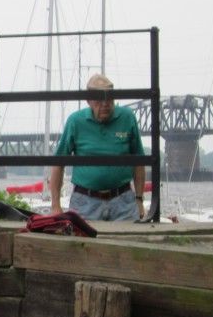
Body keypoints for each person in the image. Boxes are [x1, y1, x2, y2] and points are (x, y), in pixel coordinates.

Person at [49, 73, 146, 221]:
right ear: (88, 100)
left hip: (123, 200)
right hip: (85, 202)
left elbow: (139, 161)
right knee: (83, 244)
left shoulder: (127, 117)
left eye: (109, 98)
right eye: (99, 99)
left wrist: (139, 199)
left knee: (128, 241)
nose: (105, 104)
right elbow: (58, 163)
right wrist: (55, 205)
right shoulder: (75, 121)